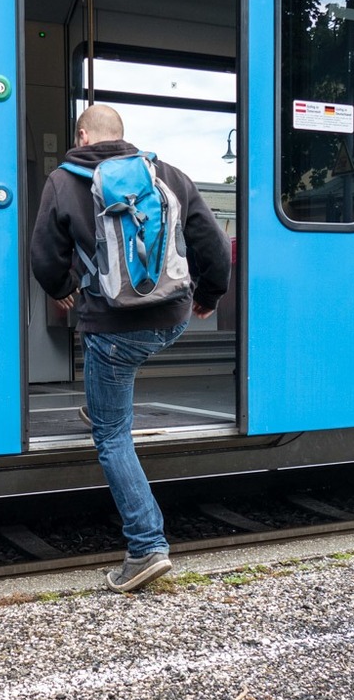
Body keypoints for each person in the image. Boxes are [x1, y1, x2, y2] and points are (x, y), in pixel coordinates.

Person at [30, 104, 231, 593]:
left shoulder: (62, 179)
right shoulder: (166, 173)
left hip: (114, 328)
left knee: (112, 434)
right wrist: (208, 295)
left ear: (82, 134)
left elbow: (44, 257)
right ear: (123, 137)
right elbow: (214, 248)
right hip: (173, 318)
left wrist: (62, 288)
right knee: (120, 368)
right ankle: (103, 402)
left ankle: (146, 546)